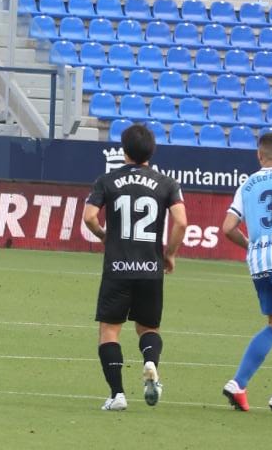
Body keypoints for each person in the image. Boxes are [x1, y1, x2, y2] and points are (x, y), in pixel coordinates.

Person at [83, 122, 187, 412]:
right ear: (151, 151)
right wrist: (170, 254)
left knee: (109, 331)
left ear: (124, 150)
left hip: (117, 267)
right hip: (150, 269)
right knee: (148, 328)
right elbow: (181, 221)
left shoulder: (107, 180)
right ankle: (151, 362)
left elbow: (89, 217)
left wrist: (105, 236)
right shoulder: (167, 184)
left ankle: (117, 395)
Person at [222, 130, 272, 411]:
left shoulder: (247, 185)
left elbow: (228, 228)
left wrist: (249, 246)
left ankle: (238, 383)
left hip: (260, 263)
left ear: (259, 154)